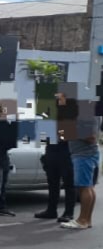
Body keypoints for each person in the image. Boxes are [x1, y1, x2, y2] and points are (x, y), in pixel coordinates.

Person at [36, 93, 76, 223]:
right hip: (51, 150)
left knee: (68, 184)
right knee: (53, 183)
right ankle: (51, 210)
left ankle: (69, 213)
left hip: (66, 151)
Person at [62, 101, 98, 231]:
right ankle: (86, 220)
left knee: (84, 187)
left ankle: (82, 220)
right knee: (88, 187)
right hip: (84, 154)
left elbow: (91, 137)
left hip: (83, 155)